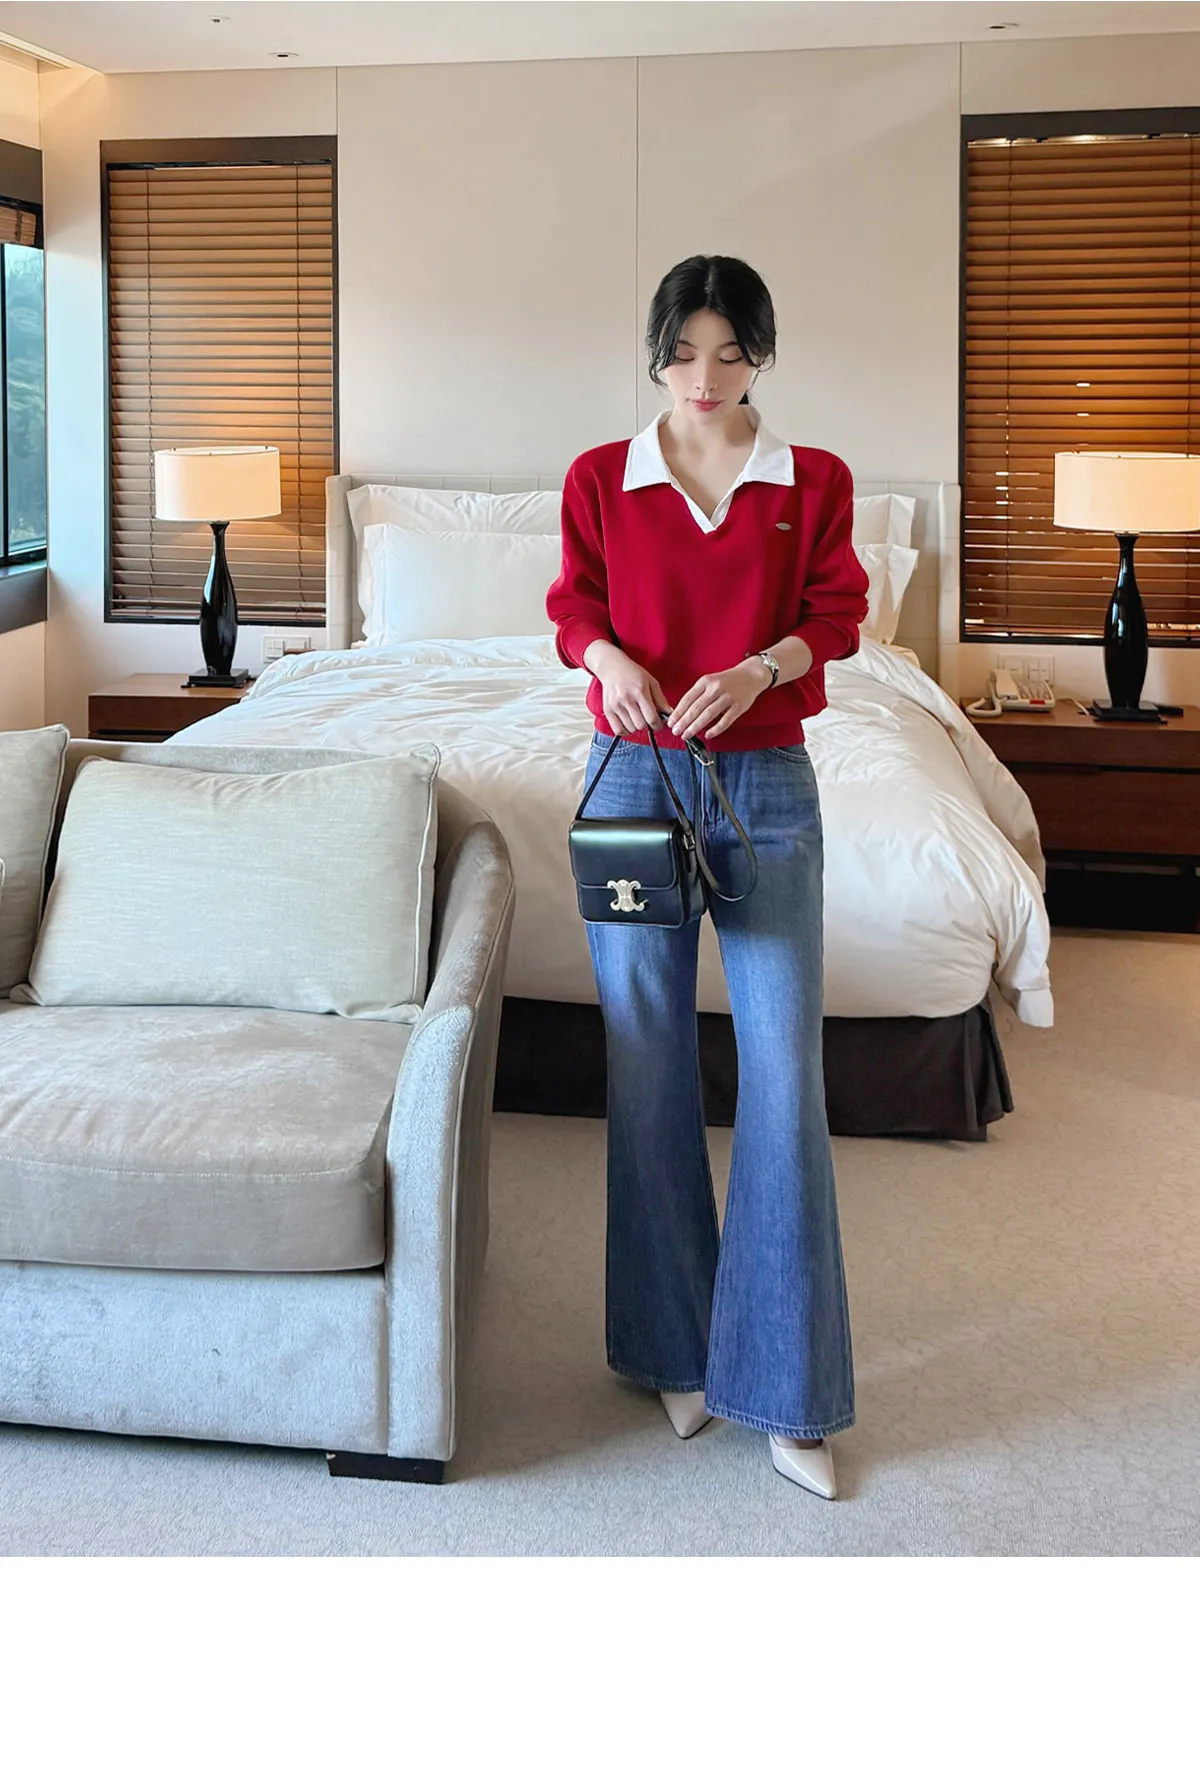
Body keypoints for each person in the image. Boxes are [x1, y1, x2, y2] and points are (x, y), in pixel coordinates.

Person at [545, 254, 869, 1501]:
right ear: (657, 354)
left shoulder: (812, 479)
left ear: (761, 357)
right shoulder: (600, 477)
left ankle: (788, 1389)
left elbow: (837, 614)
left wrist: (761, 666)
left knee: (784, 1074)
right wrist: (609, 659)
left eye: (730, 353)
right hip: (632, 778)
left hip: (766, 783)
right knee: (648, 1059)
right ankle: (669, 1347)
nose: (704, 376)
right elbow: (573, 606)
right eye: (683, 353)